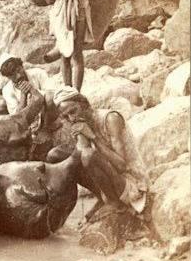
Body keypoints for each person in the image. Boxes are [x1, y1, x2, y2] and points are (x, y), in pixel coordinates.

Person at [49, 86, 149, 221]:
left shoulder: (110, 118)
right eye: (66, 116)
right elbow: (81, 156)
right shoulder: (82, 122)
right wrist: (81, 137)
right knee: (56, 155)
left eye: (73, 111)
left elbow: (122, 166)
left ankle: (115, 204)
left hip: (132, 181)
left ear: (84, 104)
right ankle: (103, 197)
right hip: (112, 176)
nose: (72, 118)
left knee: (88, 156)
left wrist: (93, 137)